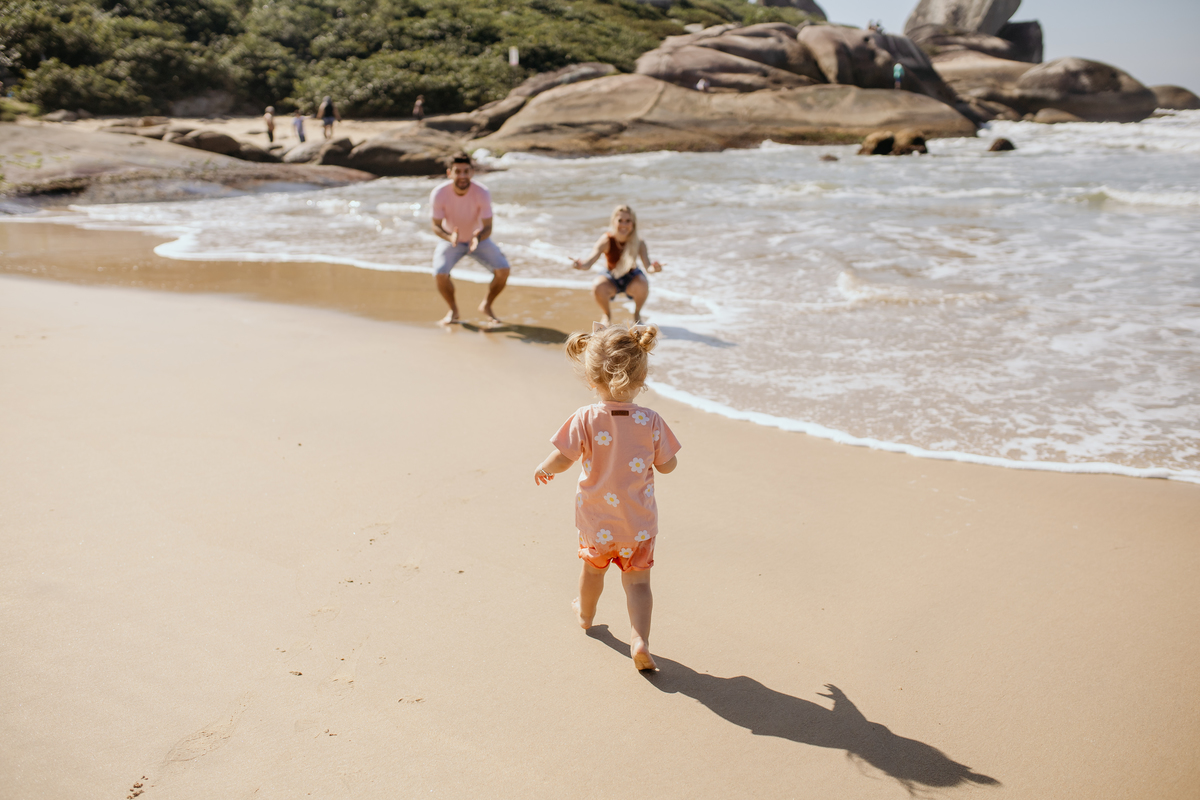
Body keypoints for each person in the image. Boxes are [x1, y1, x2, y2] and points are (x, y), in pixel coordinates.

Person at [534, 323, 681, 672]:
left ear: (591, 378)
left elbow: (563, 458)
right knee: (638, 582)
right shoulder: (650, 421)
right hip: (638, 523)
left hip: (596, 520)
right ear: (641, 378)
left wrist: (545, 467)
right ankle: (640, 640)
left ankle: (585, 615)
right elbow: (667, 466)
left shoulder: (585, 418)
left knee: (592, 571)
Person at [429, 152, 510, 325]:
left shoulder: (482, 192)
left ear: (472, 172)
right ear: (449, 173)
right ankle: (453, 310)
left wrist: (478, 238)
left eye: (466, 171)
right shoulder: (439, 193)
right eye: (458, 171)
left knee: (503, 270)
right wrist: (449, 236)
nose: (462, 176)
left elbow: (488, 227)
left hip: (478, 239)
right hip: (451, 240)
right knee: (440, 274)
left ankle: (486, 305)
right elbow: (435, 225)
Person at [571, 204, 663, 325]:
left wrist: (655, 268)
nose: (624, 224)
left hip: (631, 276)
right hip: (611, 276)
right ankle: (607, 315)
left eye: (628, 221)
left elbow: (648, 267)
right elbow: (588, 263)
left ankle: (637, 314)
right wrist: (579, 265)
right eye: (620, 220)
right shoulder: (606, 239)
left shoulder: (639, 242)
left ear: (633, 223)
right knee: (597, 285)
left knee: (643, 283)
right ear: (614, 222)